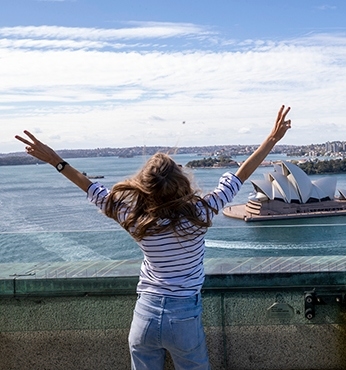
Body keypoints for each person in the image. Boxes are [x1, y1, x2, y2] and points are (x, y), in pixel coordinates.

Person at [15, 105, 292, 370]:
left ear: (144, 187)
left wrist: (55, 161)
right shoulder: (201, 212)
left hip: (145, 315)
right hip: (183, 316)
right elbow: (240, 175)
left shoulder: (134, 218)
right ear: (181, 183)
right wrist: (271, 138)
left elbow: (91, 188)